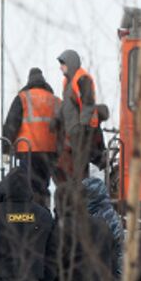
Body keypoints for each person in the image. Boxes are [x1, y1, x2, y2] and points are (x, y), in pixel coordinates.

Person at [2, 67, 61, 206]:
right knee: (43, 185)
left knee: (28, 184)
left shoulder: (22, 98)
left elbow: (11, 124)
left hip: (27, 149)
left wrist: (5, 149)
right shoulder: (56, 100)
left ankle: (31, 215)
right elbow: (62, 127)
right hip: (50, 150)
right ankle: (44, 212)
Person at [56, 49, 98, 182]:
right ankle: (78, 191)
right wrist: (58, 119)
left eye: (63, 64)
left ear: (70, 63)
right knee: (75, 165)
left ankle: (82, 193)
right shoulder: (67, 81)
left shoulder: (82, 78)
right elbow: (66, 105)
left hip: (81, 130)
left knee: (81, 165)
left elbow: (88, 103)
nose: (60, 67)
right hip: (73, 130)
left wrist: (84, 124)